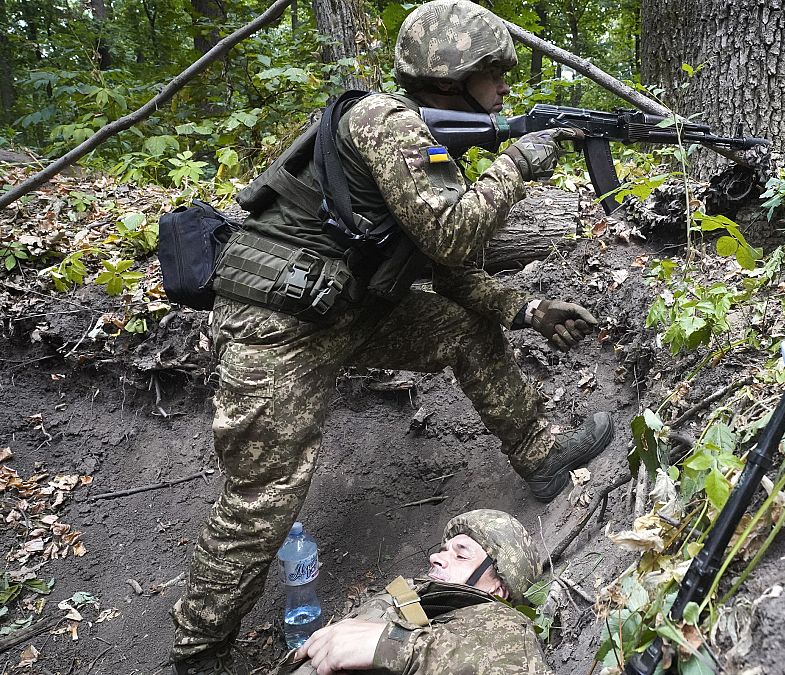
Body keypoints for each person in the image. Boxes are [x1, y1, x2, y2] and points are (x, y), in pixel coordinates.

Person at [170, 1, 614, 672]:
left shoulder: (429, 152)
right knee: (262, 500)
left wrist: (528, 309)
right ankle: (198, 647)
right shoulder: (387, 122)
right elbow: (455, 232)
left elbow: (457, 275)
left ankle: (542, 457)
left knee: (463, 328)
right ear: (451, 77)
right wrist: (517, 162)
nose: (504, 90)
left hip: (344, 311)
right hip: (276, 332)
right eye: (495, 75)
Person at [283, 510, 551, 675]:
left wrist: (393, 644)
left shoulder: (501, 625)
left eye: (460, 555)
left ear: (498, 588)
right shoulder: (410, 594)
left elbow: (510, 665)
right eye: (444, 550)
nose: (436, 557)